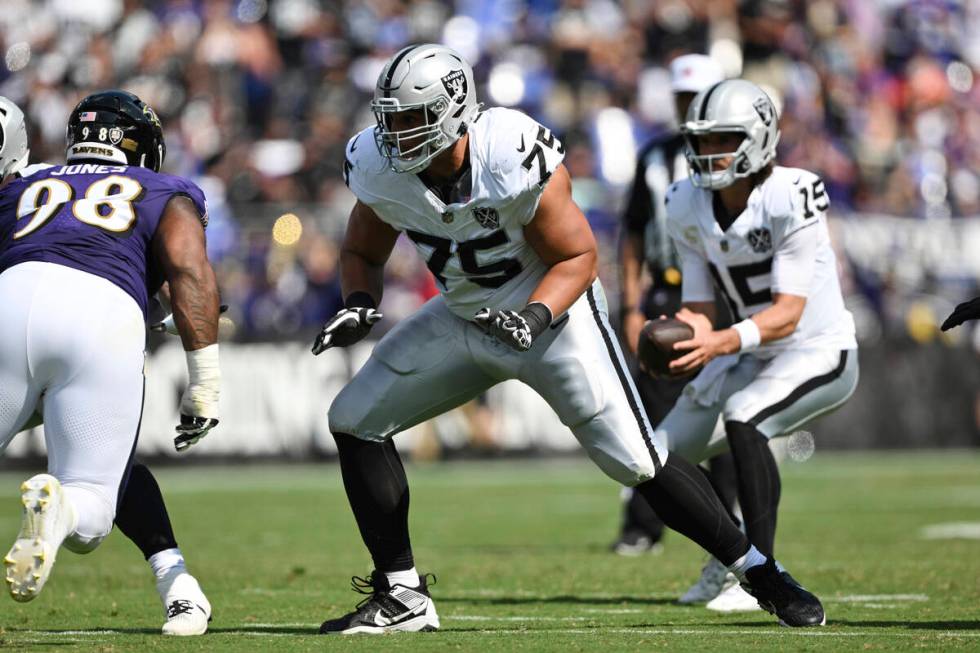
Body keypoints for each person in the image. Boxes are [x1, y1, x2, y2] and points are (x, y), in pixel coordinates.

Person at [312, 43, 825, 634]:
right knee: (354, 419)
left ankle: (761, 573)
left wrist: (532, 317)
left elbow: (579, 255)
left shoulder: (507, 152)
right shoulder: (379, 167)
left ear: (455, 111)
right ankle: (401, 595)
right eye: (389, 119)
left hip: (553, 314)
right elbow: (361, 250)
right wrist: (358, 303)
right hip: (463, 315)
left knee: (637, 460)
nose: (395, 134)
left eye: (410, 119)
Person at [0, 91, 220, 636]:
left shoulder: (22, 185)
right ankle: (60, 512)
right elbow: (189, 274)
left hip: (8, 301)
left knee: (113, 465)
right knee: (90, 504)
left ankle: (178, 583)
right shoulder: (162, 189)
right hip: (100, 317)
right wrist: (204, 384)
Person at [657, 78, 859, 613]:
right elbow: (700, 306)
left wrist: (718, 342)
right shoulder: (685, 202)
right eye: (701, 141)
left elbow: (789, 314)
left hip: (818, 350)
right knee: (650, 457)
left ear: (759, 137)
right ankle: (734, 556)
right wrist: (682, 338)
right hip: (749, 351)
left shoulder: (792, 192)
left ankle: (764, 575)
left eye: (722, 139)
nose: (708, 153)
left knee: (746, 415)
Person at [615, 53, 756, 612]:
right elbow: (630, 235)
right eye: (681, 97)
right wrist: (630, 302)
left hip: (720, 294)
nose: (687, 107)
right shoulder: (653, 157)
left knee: (726, 407)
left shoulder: (741, 156)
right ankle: (644, 524)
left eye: (696, 96)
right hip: (668, 294)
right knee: (650, 414)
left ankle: (727, 533)